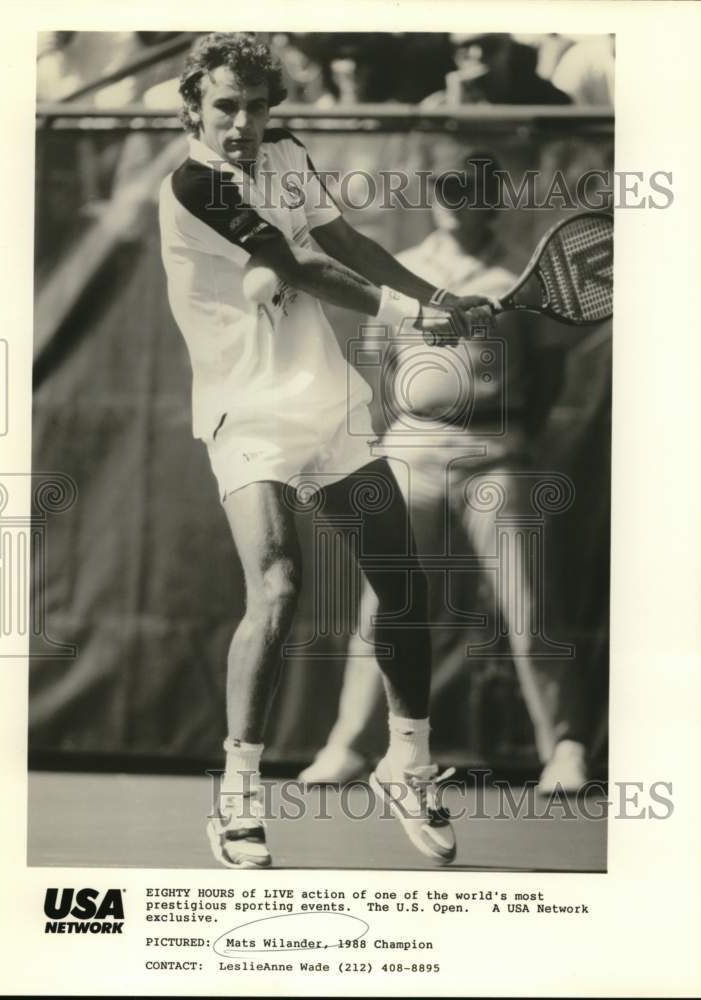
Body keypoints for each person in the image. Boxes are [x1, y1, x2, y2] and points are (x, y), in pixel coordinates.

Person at [158, 32, 495, 869]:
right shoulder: (194, 184)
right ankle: (239, 792)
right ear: (194, 108)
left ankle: (406, 763)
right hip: (247, 415)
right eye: (225, 106)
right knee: (276, 584)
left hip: (327, 410)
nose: (241, 122)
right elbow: (295, 262)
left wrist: (438, 295)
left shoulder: (284, 153)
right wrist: (414, 316)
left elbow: (340, 241)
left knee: (404, 585)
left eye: (256, 105)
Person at [299, 154, 589, 795]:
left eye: (471, 192)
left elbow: (548, 375)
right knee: (386, 603)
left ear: (493, 203)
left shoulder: (516, 275)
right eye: (448, 190)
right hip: (411, 450)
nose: (456, 200)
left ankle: (564, 751)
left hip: (496, 451)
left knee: (528, 607)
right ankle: (348, 745)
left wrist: (510, 434)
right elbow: (379, 364)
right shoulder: (402, 271)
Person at [422, 33, 572, 106]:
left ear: (511, 50)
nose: (477, 55)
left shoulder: (549, 100)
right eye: (464, 49)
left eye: (489, 46)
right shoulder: (436, 107)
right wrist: (456, 111)